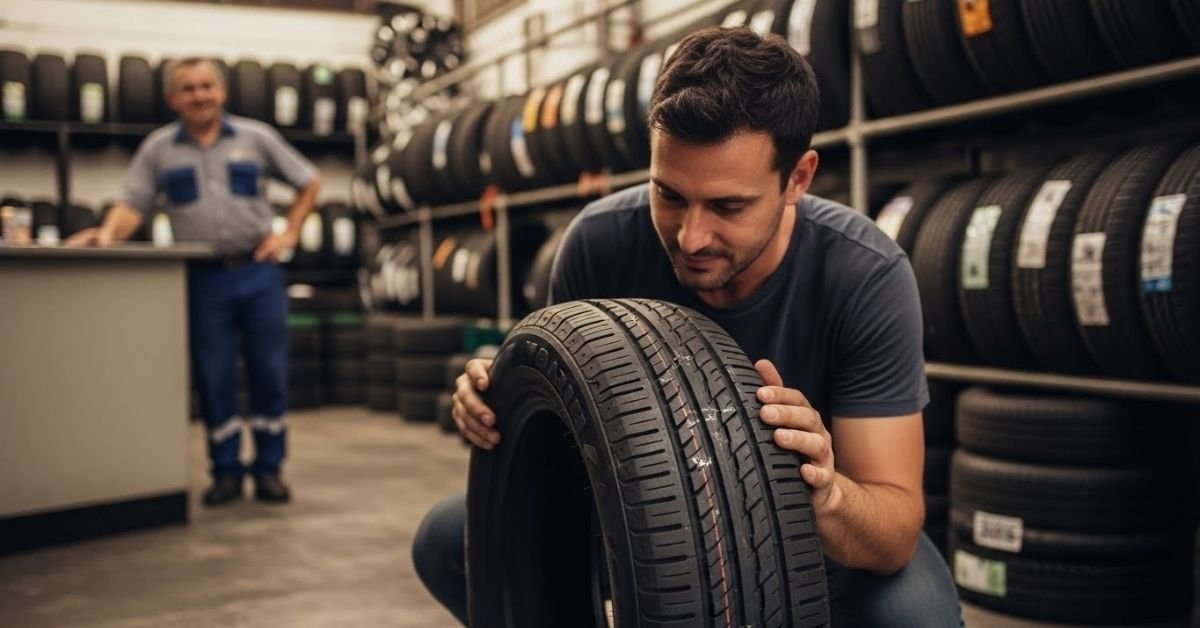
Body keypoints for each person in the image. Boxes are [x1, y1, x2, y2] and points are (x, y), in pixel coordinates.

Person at [413, 26, 961, 626]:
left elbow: (894, 528)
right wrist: (503, 407)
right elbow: (555, 450)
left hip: (797, 537)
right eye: (668, 194)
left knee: (916, 614)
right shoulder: (598, 244)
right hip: (638, 513)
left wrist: (826, 492)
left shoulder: (866, 274)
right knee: (450, 540)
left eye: (728, 206)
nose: (691, 237)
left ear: (797, 179)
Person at [67, 57, 320, 507]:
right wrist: (106, 235)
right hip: (204, 280)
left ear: (222, 92)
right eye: (189, 89)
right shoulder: (159, 150)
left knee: (269, 373)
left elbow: (309, 181)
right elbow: (132, 204)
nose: (200, 95)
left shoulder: (256, 138)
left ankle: (269, 470)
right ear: (173, 99)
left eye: (207, 86)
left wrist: (290, 232)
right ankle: (224, 472)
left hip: (259, 272)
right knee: (214, 376)